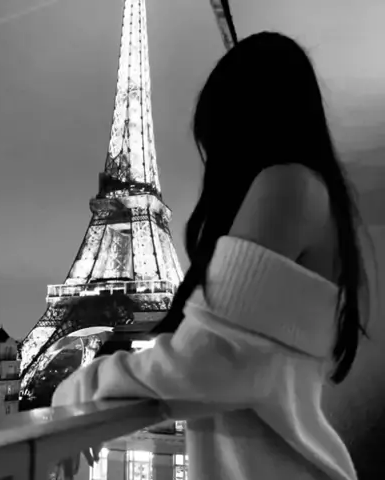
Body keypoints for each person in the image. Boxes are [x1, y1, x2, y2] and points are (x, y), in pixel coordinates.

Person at [52, 31, 373, 480]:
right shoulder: (317, 198)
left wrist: (83, 385)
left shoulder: (289, 185)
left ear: (243, 123)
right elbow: (230, 364)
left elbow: (207, 362)